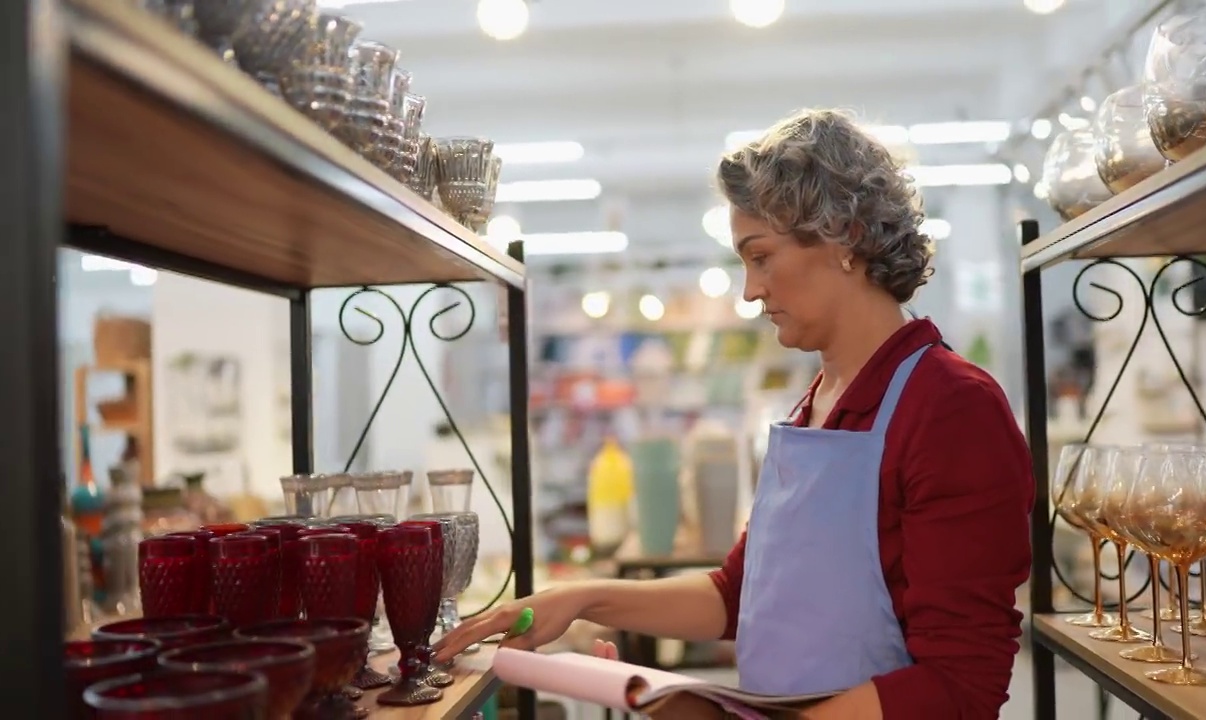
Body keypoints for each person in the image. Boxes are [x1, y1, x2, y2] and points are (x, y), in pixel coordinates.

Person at [434, 108, 1034, 720]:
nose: (750, 290)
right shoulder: (816, 401)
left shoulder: (952, 409)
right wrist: (581, 599)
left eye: (761, 257)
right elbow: (741, 594)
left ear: (846, 237)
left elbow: (959, 684)